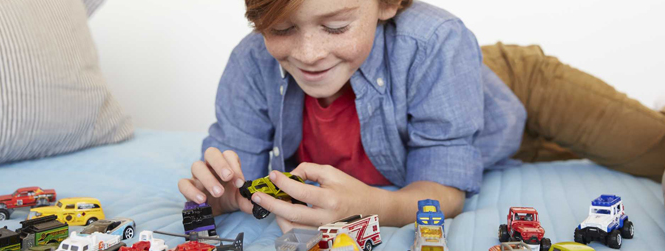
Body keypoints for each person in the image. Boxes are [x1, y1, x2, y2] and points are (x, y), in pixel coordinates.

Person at [178, 0, 665, 232]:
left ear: (387, 4)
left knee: (652, 149)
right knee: (571, 155)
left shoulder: (435, 40)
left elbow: (443, 185)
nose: (308, 53)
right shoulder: (251, 63)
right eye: (281, 29)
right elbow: (232, 174)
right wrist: (217, 195)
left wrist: (370, 206)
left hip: (518, 90)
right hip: (490, 146)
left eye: (337, 26)